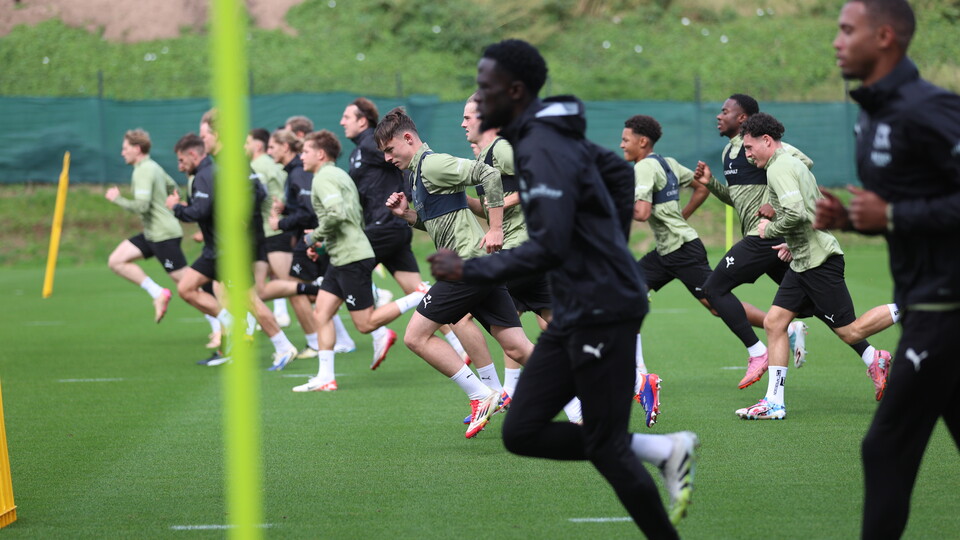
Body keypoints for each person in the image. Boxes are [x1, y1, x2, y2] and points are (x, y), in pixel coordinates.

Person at [430, 39, 698, 534]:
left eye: (484, 89)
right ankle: (663, 448)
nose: (477, 100)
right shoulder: (541, 135)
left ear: (513, 90)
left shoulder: (540, 146)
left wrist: (470, 271)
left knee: (605, 447)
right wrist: (609, 238)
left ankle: (662, 471)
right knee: (522, 431)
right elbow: (617, 171)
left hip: (604, 306)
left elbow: (550, 246)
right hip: (579, 304)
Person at [820, 1, 960, 536]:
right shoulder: (872, 113)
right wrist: (858, 220)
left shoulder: (928, 108)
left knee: (884, 449)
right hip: (929, 302)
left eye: (847, 30)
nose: (836, 41)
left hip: (946, 310)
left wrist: (893, 213)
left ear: (883, 37)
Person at [377, 107, 536, 439]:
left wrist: (495, 229)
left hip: (468, 266)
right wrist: (406, 215)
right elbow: (436, 220)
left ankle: (482, 396)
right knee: (518, 348)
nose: (389, 158)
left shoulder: (433, 164)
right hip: (481, 267)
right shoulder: (416, 173)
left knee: (415, 337)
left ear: (408, 139)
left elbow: (489, 175)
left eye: (391, 150)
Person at [734, 112, 896, 420]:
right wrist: (791, 243)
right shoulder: (791, 160)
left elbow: (794, 212)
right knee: (774, 323)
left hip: (820, 263)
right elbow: (808, 209)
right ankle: (774, 402)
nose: (747, 153)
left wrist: (772, 230)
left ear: (767, 141)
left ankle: (916, 306)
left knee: (851, 332)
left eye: (750, 147)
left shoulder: (778, 168)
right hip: (804, 260)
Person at [461, 93, 583, 423]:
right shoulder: (485, 156)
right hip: (528, 253)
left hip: (519, 249)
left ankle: (489, 394)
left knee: (458, 311)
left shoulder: (501, 147)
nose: (462, 124)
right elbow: (489, 207)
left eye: (468, 117)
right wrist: (460, 200)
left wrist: (502, 207)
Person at [693, 94, 822, 386]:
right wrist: (711, 185)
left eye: (725, 111)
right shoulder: (730, 153)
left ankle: (758, 352)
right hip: (765, 240)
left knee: (713, 289)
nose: (718, 116)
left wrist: (778, 205)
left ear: (742, 119)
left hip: (765, 236)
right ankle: (869, 354)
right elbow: (737, 199)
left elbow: (804, 164)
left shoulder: (764, 147)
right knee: (813, 303)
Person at [340, 97, 478, 366]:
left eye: (347, 117)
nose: (342, 122)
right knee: (421, 294)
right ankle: (458, 345)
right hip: (394, 227)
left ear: (362, 120)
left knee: (342, 267)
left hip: (384, 226)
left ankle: (377, 327)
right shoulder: (359, 149)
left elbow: (404, 165)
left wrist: (409, 195)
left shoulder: (371, 144)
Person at [290, 130, 429, 390]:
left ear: (320, 154)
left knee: (364, 324)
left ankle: (418, 296)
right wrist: (323, 244)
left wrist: (313, 238)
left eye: (305, 151)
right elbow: (347, 218)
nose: (301, 157)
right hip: (342, 254)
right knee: (321, 312)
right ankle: (325, 377)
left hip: (351, 258)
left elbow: (336, 214)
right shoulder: (338, 174)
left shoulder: (324, 178)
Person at [621, 114, 719, 427]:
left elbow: (641, 212)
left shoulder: (644, 167)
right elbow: (701, 186)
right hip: (667, 251)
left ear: (642, 142)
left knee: (717, 305)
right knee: (627, 294)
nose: (621, 143)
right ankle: (640, 378)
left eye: (625, 139)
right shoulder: (669, 162)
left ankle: (781, 328)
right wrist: (681, 217)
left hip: (681, 251)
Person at [104, 128, 185, 324]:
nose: (122, 152)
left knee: (188, 286)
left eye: (125, 148)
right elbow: (174, 187)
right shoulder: (153, 166)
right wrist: (172, 202)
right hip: (153, 235)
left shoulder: (143, 171)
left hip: (164, 236)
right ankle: (158, 293)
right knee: (116, 260)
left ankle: (223, 322)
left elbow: (142, 205)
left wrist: (118, 200)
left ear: (137, 149)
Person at [245, 127, 293, 329]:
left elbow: (257, 195)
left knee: (292, 285)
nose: (244, 147)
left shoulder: (258, 165)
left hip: (270, 228)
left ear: (257, 145)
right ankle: (261, 319)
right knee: (261, 283)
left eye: (246, 143)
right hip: (280, 225)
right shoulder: (276, 165)